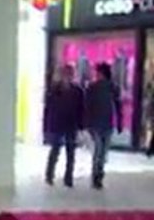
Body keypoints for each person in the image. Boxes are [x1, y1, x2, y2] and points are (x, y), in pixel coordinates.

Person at [43, 64, 83, 188]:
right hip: (57, 124)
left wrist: (81, 126)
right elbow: (48, 109)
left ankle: (68, 178)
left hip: (71, 124)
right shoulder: (54, 91)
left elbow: (81, 109)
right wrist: (46, 127)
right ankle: (49, 175)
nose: (67, 77)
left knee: (70, 153)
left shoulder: (77, 91)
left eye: (70, 74)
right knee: (55, 150)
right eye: (65, 74)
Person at [84, 62, 123, 190]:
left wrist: (86, 123)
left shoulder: (95, 87)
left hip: (99, 123)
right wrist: (119, 123)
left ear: (101, 73)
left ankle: (97, 175)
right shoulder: (110, 87)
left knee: (99, 152)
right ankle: (97, 176)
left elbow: (87, 106)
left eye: (98, 72)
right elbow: (118, 106)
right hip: (104, 124)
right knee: (101, 152)